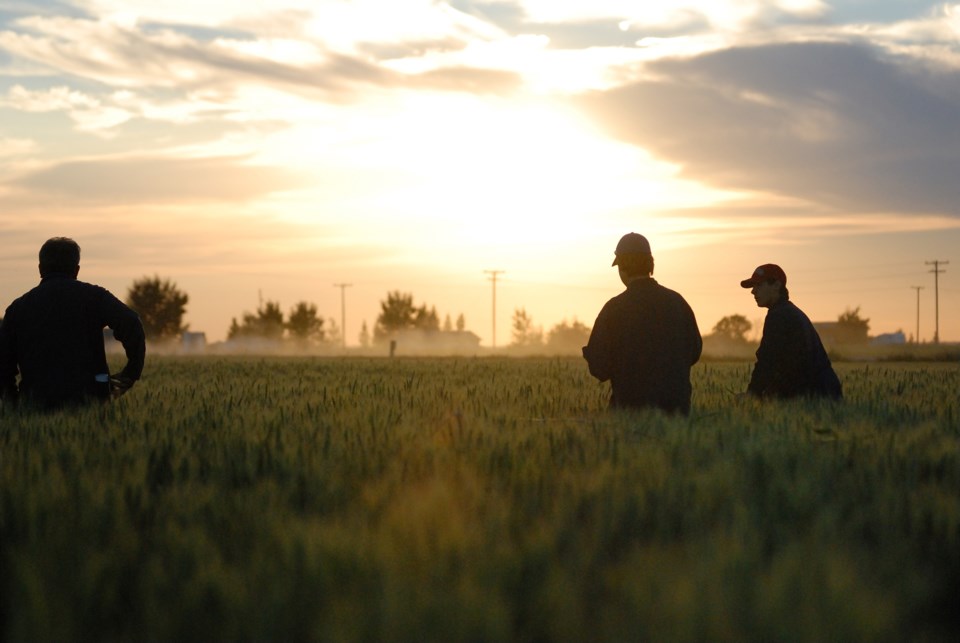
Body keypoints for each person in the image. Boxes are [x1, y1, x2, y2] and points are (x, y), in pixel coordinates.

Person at [0, 237, 146, 410]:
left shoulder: (17, 309)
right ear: (76, 270)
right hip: (92, 400)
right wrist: (131, 372)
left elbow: (3, 364)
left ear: (40, 269)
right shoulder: (95, 297)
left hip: (36, 402)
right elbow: (131, 322)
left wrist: (13, 403)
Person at [583, 232, 702, 414]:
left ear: (622, 266)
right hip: (678, 414)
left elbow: (599, 368)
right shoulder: (678, 303)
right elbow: (694, 352)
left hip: (628, 415)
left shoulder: (613, 309)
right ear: (650, 264)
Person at [740, 263, 842, 399]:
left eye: (758, 285)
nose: (753, 291)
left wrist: (752, 394)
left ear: (776, 285)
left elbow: (767, 360)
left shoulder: (779, 315)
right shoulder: (790, 311)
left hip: (812, 396)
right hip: (826, 392)